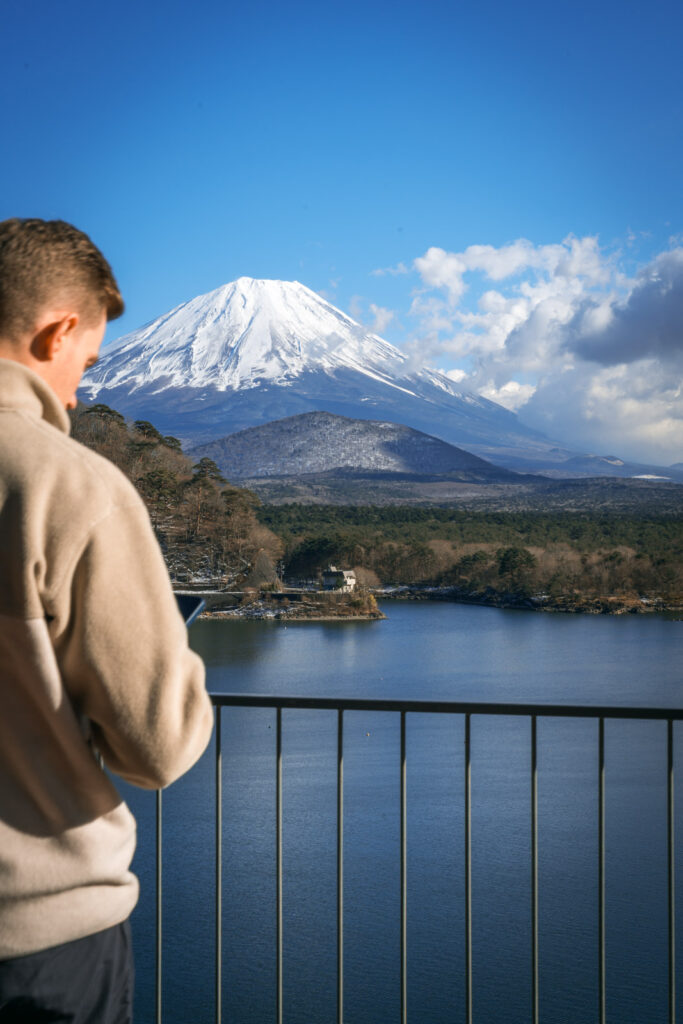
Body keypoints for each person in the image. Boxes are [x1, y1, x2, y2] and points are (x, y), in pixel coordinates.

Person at [0, 218, 214, 1022]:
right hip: (35, 945)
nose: (78, 395)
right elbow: (155, 746)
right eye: (83, 366)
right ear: (56, 331)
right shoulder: (70, 486)